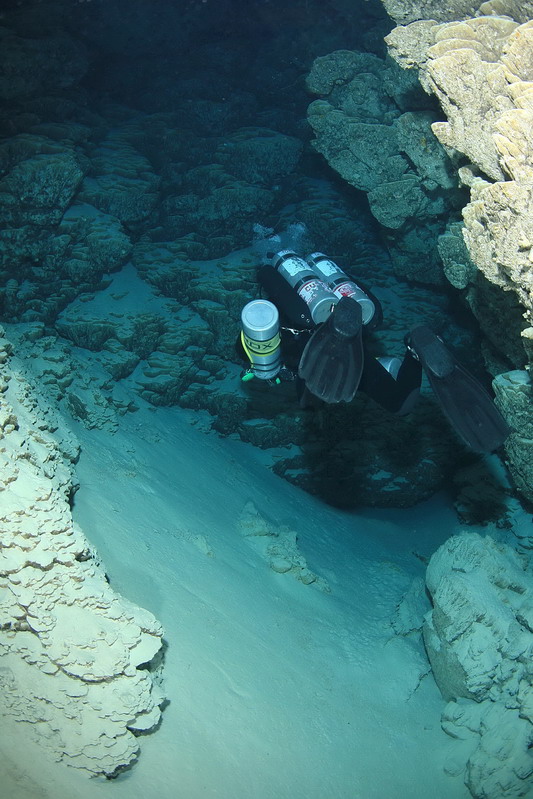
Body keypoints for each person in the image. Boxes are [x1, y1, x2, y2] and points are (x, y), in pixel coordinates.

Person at [238, 237, 511, 454]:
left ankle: (355, 339)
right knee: (394, 401)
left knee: (315, 396)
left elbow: (243, 349)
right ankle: (413, 349)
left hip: (317, 357)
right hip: (350, 344)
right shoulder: (308, 290)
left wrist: (269, 368)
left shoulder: (273, 307)